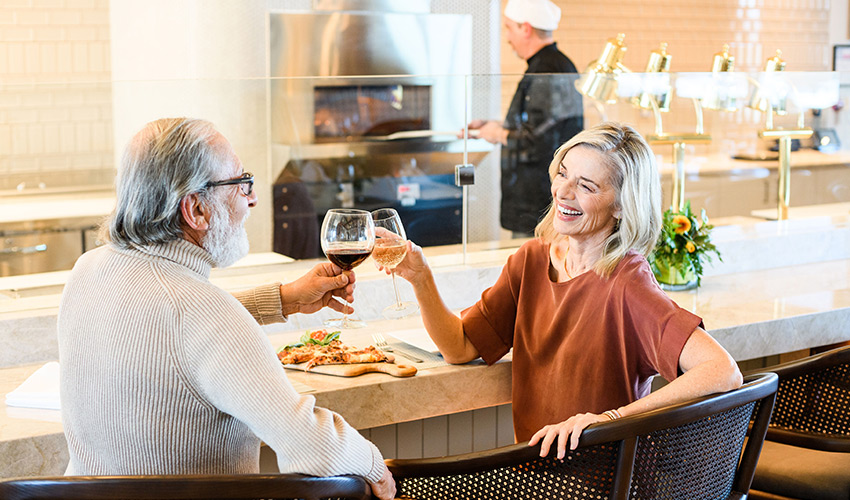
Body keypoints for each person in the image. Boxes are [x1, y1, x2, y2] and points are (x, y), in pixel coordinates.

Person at [57, 118, 395, 500]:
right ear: (196, 210)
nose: (252, 198)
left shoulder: (87, 269)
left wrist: (284, 299)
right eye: (241, 182)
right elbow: (314, 447)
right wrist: (376, 467)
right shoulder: (200, 310)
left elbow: (165, 329)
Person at [382, 122, 742, 460]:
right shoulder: (531, 261)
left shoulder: (627, 283)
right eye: (563, 174)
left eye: (586, 186)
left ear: (621, 205)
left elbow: (723, 370)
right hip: (538, 474)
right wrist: (421, 278)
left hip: (603, 479)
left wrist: (611, 419)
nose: (563, 193)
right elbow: (460, 347)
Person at [466, 0, 584, 236]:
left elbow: (539, 142)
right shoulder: (546, 65)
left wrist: (498, 134)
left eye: (509, 28)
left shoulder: (548, 70)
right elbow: (539, 124)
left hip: (539, 204)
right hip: (535, 201)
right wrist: (494, 126)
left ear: (526, 28)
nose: (507, 38)